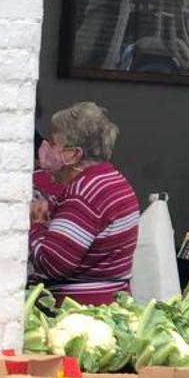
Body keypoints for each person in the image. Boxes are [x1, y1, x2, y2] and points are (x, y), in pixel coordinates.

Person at [29, 101, 139, 306]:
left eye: (54, 144)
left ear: (74, 154)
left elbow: (52, 264)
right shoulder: (113, 180)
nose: (47, 149)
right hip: (112, 300)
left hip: (81, 310)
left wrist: (36, 224)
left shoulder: (83, 194)